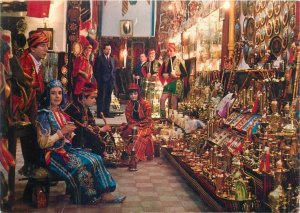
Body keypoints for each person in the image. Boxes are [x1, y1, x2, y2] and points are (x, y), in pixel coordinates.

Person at [36, 80, 126, 204]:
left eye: (59, 93)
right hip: (52, 155)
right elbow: (42, 143)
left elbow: (67, 134)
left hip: (65, 150)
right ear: (47, 95)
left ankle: (106, 193)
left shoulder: (60, 112)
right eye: (53, 93)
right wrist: (62, 132)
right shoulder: (43, 115)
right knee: (83, 163)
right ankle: (86, 197)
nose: (57, 96)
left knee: (96, 158)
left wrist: (68, 133)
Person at [18, 30, 49, 174]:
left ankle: (35, 168)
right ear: (32, 48)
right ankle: (32, 170)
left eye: (46, 45)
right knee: (30, 139)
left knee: (35, 140)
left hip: (34, 108)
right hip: (25, 110)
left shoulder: (36, 62)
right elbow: (24, 89)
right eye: (42, 45)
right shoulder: (26, 62)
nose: (46, 49)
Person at [65, 82, 111, 157]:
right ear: (83, 98)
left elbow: (91, 125)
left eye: (95, 98)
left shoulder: (84, 107)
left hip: (84, 134)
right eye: (92, 98)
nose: (95, 101)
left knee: (102, 137)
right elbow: (82, 130)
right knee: (97, 142)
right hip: (75, 139)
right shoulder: (75, 110)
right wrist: (100, 129)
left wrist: (100, 130)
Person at [119, 83, 154, 161]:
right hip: (133, 125)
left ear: (138, 94)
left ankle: (135, 156)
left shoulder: (146, 104)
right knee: (125, 131)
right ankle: (127, 152)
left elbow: (148, 119)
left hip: (145, 125)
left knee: (139, 135)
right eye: (131, 94)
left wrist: (138, 124)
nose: (133, 96)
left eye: (135, 94)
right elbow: (128, 118)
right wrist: (134, 124)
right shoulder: (128, 105)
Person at [159, 43, 187, 118]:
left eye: (171, 51)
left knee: (173, 102)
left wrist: (177, 76)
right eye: (168, 51)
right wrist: (164, 75)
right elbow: (162, 72)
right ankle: (163, 118)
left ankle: (173, 120)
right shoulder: (167, 61)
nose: (169, 53)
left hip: (177, 82)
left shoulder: (179, 60)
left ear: (174, 50)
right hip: (169, 83)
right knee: (162, 99)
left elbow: (184, 73)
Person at [94, 43, 116, 118]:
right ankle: (100, 113)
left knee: (108, 97)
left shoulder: (112, 59)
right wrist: (99, 80)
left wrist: (113, 81)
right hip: (102, 81)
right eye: (107, 49)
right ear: (103, 50)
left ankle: (107, 113)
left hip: (110, 81)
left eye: (109, 49)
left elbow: (113, 71)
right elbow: (96, 71)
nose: (108, 51)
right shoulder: (100, 58)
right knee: (101, 97)